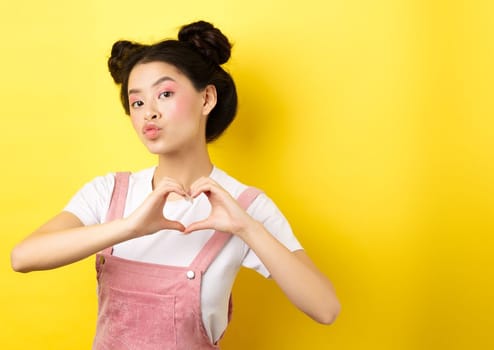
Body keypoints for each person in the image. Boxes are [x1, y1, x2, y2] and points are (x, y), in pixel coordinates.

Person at [10, 20, 340, 349]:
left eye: (165, 94)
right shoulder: (109, 192)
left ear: (207, 98)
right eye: (137, 102)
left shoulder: (244, 205)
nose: (148, 113)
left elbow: (325, 308)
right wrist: (129, 227)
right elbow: (23, 258)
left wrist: (246, 228)